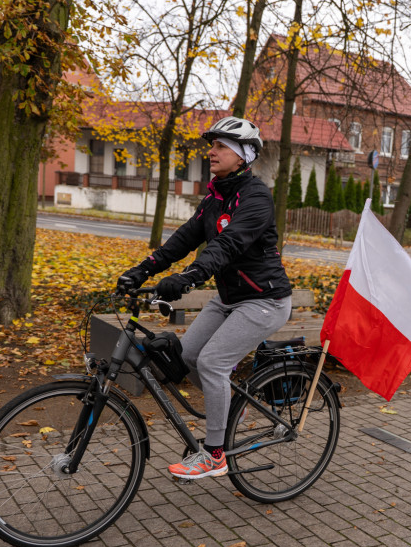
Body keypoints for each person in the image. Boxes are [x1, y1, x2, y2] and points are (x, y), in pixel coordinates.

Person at [115, 117, 293, 480]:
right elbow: (183, 239)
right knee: (188, 356)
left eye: (221, 146)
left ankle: (214, 455)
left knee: (212, 363)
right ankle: (233, 407)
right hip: (229, 299)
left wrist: (189, 277)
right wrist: (141, 270)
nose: (211, 152)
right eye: (212, 145)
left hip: (265, 301)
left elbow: (229, 244)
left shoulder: (256, 197)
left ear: (243, 156)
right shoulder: (215, 197)